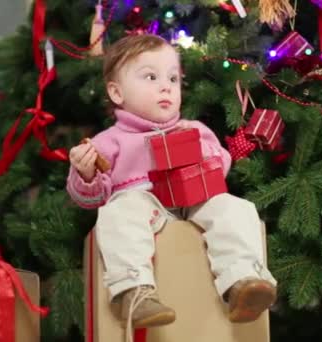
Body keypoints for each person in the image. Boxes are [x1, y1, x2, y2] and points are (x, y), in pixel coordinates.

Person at [66, 34, 277, 329]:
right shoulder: (110, 141)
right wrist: (86, 173)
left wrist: (201, 155)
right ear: (117, 92)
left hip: (193, 202)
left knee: (234, 208)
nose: (166, 86)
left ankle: (244, 281)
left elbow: (221, 164)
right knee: (118, 212)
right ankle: (133, 291)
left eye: (173, 79)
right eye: (150, 77)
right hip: (144, 204)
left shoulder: (192, 129)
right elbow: (91, 197)